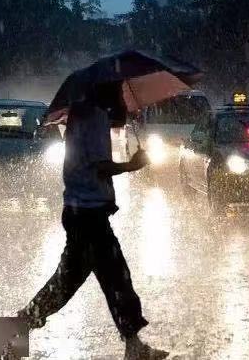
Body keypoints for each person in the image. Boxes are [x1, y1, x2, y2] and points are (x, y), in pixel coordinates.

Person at [17, 83, 168, 360]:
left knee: (93, 279)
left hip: (81, 211)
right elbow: (100, 166)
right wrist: (132, 165)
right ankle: (16, 330)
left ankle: (133, 345)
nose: (124, 99)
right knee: (109, 278)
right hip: (89, 215)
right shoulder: (94, 118)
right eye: (120, 94)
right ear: (108, 94)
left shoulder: (82, 114)